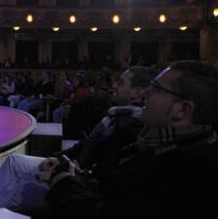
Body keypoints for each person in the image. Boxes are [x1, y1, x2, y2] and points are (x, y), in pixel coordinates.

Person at [46, 60, 218, 218]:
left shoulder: (190, 173)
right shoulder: (157, 143)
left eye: (156, 89)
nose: (146, 92)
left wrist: (63, 180)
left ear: (182, 109)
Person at [0, 66, 156, 216]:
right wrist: (58, 158)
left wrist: (61, 173)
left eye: (122, 83)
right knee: (14, 162)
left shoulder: (131, 126)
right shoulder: (115, 115)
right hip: (70, 166)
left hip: (79, 180)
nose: (115, 85)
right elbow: (85, 146)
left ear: (137, 92)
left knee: (18, 191)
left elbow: (102, 177)